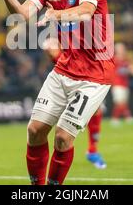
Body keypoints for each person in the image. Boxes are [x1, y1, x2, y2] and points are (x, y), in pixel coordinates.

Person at [0, 0, 115, 185]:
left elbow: (86, 11)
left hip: (94, 76)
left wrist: (57, 14)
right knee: (34, 131)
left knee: (63, 137)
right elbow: (24, 15)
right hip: (64, 69)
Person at [42, 38, 107, 170]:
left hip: (86, 77)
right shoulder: (57, 40)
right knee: (55, 129)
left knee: (96, 110)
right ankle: (89, 151)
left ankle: (92, 151)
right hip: (68, 81)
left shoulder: (77, 33)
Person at [111, 43, 133, 125]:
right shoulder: (114, 60)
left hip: (125, 84)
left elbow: (130, 68)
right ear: (117, 50)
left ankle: (120, 118)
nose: (122, 50)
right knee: (119, 102)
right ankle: (119, 118)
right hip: (117, 84)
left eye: (123, 48)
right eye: (121, 48)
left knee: (124, 102)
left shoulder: (125, 60)